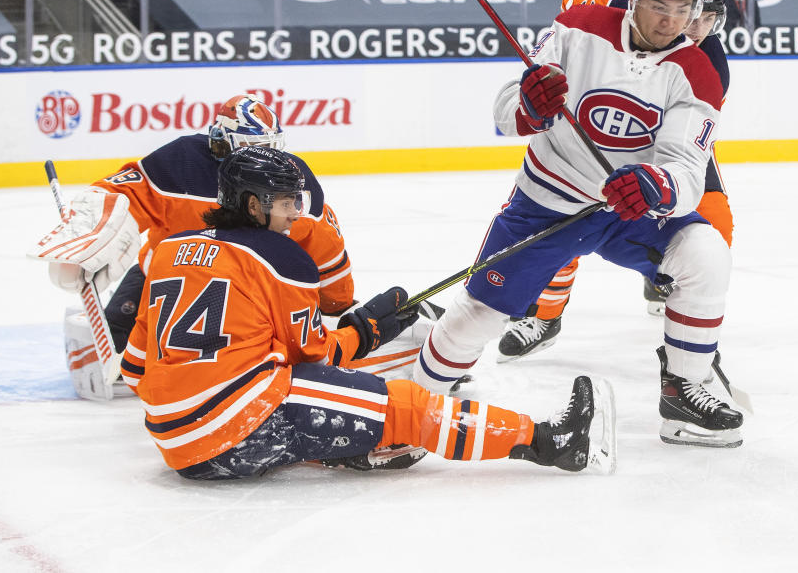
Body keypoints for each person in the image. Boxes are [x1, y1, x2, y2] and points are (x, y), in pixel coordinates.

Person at [412, 0, 743, 448]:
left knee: (706, 251)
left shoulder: (698, 72)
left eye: (683, 9)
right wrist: (529, 105)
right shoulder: (577, 27)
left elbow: (689, 169)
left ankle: (684, 392)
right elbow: (506, 113)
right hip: (546, 204)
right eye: (659, 4)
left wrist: (658, 185)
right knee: (476, 314)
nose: (670, 21)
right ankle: (406, 411)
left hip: (628, 212)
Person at [120, 146, 616, 478]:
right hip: (237, 428)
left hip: (174, 444)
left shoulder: (168, 250)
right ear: (252, 204)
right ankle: (553, 441)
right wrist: (367, 328)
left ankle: (344, 443)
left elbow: (136, 368)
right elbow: (316, 358)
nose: (296, 213)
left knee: (319, 396)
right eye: (286, 202)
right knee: (407, 406)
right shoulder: (281, 258)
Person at [31, 94, 355, 401]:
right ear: (220, 142)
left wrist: (337, 305)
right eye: (250, 149)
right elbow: (125, 194)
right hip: (165, 282)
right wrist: (92, 229)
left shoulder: (293, 181)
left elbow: (323, 244)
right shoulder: (182, 164)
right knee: (122, 348)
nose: (261, 160)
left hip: (247, 295)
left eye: (269, 149)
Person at [499, 0, 733, 361]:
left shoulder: (711, 65)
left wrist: (660, 191)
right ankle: (545, 315)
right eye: (694, 14)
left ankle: (689, 340)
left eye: (707, 18)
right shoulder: (606, 10)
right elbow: (571, 10)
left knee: (714, 233)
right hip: (590, 128)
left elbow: (683, 145)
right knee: (561, 218)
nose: (694, 29)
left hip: (659, 144)